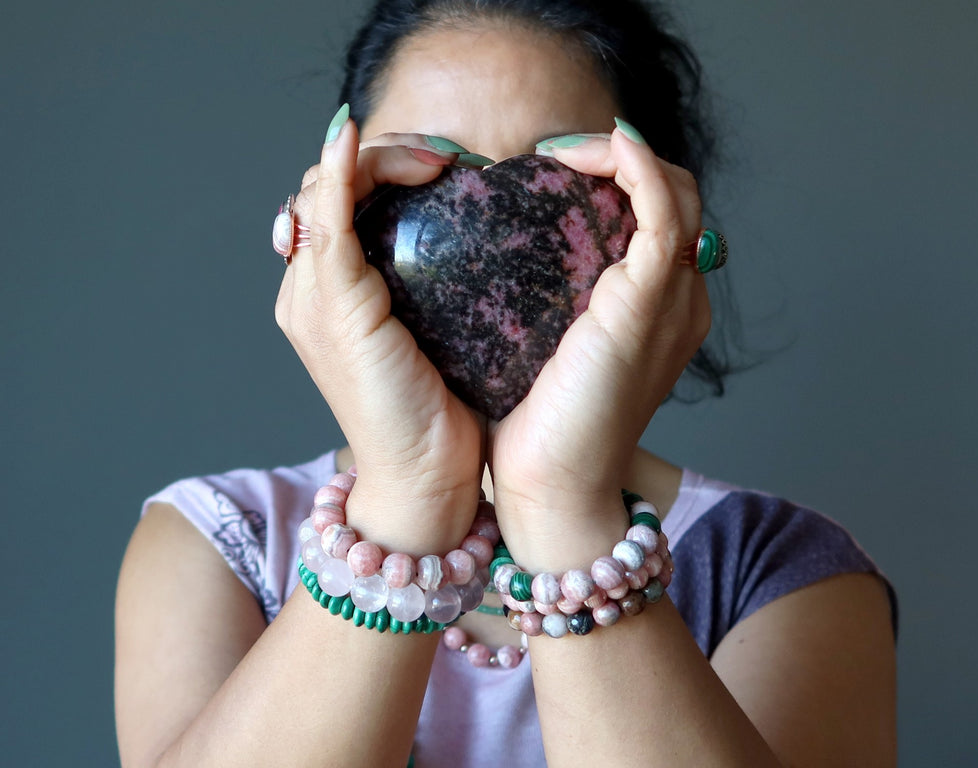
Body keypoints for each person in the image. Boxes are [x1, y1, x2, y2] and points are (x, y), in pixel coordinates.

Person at [114, 1, 897, 766]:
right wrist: (411, 488)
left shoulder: (778, 572)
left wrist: (560, 500)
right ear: (331, 216)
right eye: (428, 182)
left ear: (652, 234)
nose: (486, 239)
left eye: (551, 186)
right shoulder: (217, 543)